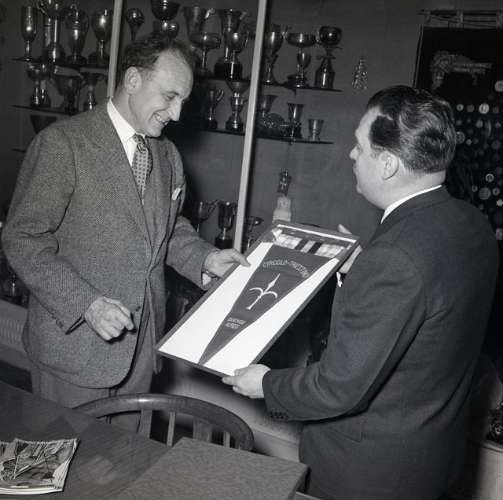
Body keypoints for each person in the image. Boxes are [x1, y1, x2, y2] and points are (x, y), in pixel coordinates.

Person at [223, 85, 499, 500]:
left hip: (369, 476)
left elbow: (337, 388)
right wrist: (364, 267)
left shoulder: (394, 258)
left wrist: (266, 383)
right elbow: (430, 307)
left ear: (387, 164)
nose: (352, 155)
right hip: (432, 459)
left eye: (360, 146)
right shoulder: (470, 223)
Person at [2, 35, 247, 422]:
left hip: (141, 349)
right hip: (74, 348)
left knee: (129, 457)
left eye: (182, 101)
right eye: (169, 96)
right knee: (68, 456)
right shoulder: (63, 144)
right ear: (133, 79)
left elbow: (166, 229)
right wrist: (87, 304)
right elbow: (22, 238)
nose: (176, 114)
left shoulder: (167, 155)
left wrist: (206, 259)